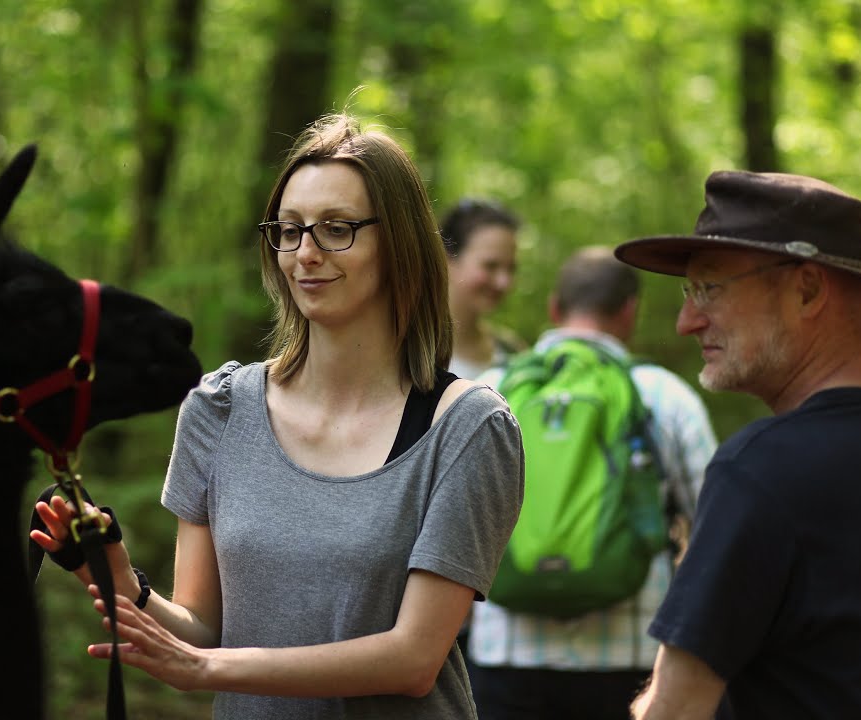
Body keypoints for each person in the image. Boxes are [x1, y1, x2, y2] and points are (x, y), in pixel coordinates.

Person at [30, 113, 526, 719]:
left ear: (400, 244)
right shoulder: (219, 408)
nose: (305, 253)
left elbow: (413, 660)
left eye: (337, 229)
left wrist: (209, 669)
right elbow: (201, 632)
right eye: (288, 231)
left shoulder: (467, 427)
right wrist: (118, 579)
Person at [614, 170, 861, 719]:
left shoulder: (764, 469)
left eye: (710, 288)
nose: (686, 321)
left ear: (807, 289)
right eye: (689, 291)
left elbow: (674, 711)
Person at [464, 245, 719, 719]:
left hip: (506, 656)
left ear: (554, 308)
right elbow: (716, 532)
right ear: (629, 312)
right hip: (628, 661)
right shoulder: (663, 395)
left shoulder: (487, 391)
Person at [439, 198, 527, 379]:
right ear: (448, 259)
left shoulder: (511, 353)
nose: (504, 282)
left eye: (511, 269)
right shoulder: (405, 349)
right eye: (490, 266)